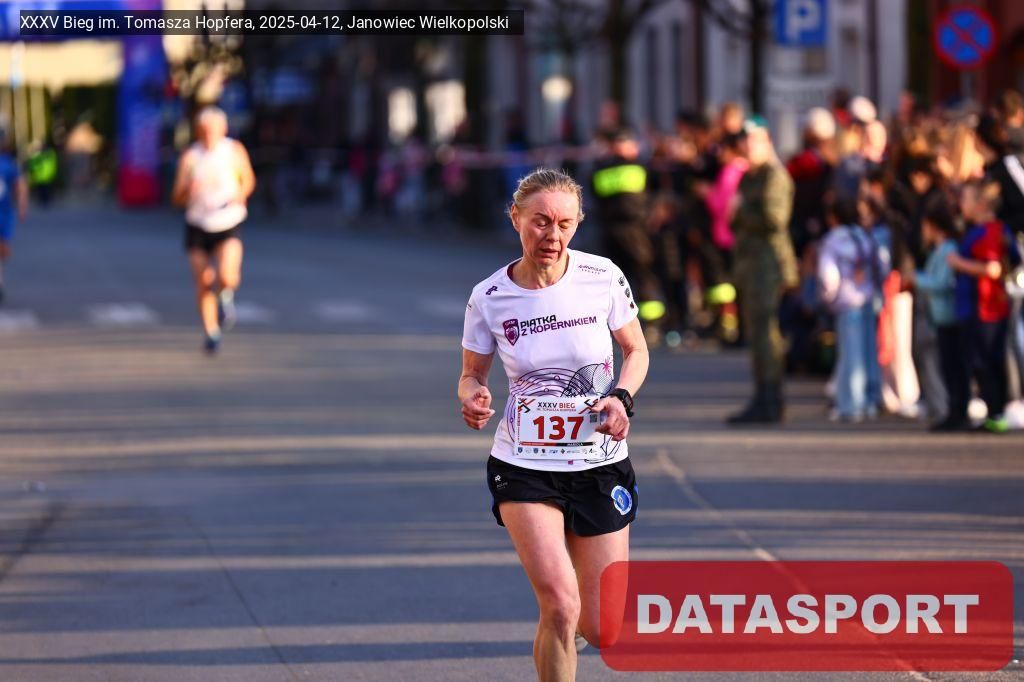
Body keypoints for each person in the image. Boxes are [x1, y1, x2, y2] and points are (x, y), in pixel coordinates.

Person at [459, 168, 649, 680]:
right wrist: (473, 395)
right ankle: (561, 625)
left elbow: (636, 350)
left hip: (598, 462)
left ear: (578, 223)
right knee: (560, 605)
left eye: (565, 224)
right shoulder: (489, 296)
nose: (553, 235)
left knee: (605, 628)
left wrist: (621, 398)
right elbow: (472, 374)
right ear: (515, 218)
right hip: (524, 464)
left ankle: (570, 628)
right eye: (540, 221)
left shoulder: (602, 276)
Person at [727, 117, 798, 424]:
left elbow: (775, 219)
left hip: (769, 266)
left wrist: (741, 211)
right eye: (744, 141)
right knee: (757, 336)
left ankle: (771, 399)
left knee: (767, 336)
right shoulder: (750, 176)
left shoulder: (774, 176)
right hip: (751, 265)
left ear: (767, 142)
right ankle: (762, 397)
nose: (747, 147)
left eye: (753, 141)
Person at [172, 106, 255, 353]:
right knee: (204, 281)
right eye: (205, 130)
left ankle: (225, 296)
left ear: (223, 129)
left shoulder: (234, 150)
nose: (209, 135)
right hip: (198, 224)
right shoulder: (190, 157)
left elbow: (248, 180)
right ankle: (211, 331)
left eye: (214, 130)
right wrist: (188, 190)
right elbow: (176, 197)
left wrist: (240, 195)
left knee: (228, 276)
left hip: (228, 220)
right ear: (199, 131)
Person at [948, 180, 1022, 433]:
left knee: (986, 361)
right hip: (985, 306)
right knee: (987, 360)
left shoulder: (988, 232)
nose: (961, 204)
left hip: (984, 307)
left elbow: (993, 269)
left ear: (980, 204)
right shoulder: (990, 230)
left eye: (966, 199)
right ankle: (995, 413)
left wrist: (958, 263)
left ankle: (996, 414)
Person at [817, 196, 886, 421]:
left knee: (850, 355)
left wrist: (828, 297)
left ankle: (851, 404)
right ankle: (871, 399)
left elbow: (828, 275)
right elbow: (881, 265)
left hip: (847, 301)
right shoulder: (865, 236)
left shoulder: (833, 240)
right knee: (869, 353)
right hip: (867, 298)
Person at [906, 201, 962, 431]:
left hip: (945, 315)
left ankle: (945, 409)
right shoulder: (940, 250)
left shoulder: (948, 250)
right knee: (939, 364)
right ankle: (943, 409)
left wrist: (917, 279)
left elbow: (942, 282)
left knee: (941, 365)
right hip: (937, 315)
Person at [0, 129, 28, 303]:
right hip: (5, 214)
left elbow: (20, 185)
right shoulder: (9, 164)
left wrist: (22, 205)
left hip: (4, 213)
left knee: (3, 250)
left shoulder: (8, 164)